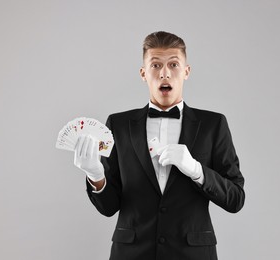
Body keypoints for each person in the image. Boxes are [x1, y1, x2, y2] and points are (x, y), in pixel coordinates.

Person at [73, 31, 245, 260]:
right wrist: (96, 176)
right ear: (144, 73)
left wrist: (196, 170)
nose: (165, 73)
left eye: (174, 64)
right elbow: (108, 208)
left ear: (186, 71)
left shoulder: (213, 124)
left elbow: (235, 199)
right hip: (132, 253)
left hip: (193, 254)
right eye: (156, 65)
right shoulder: (119, 124)